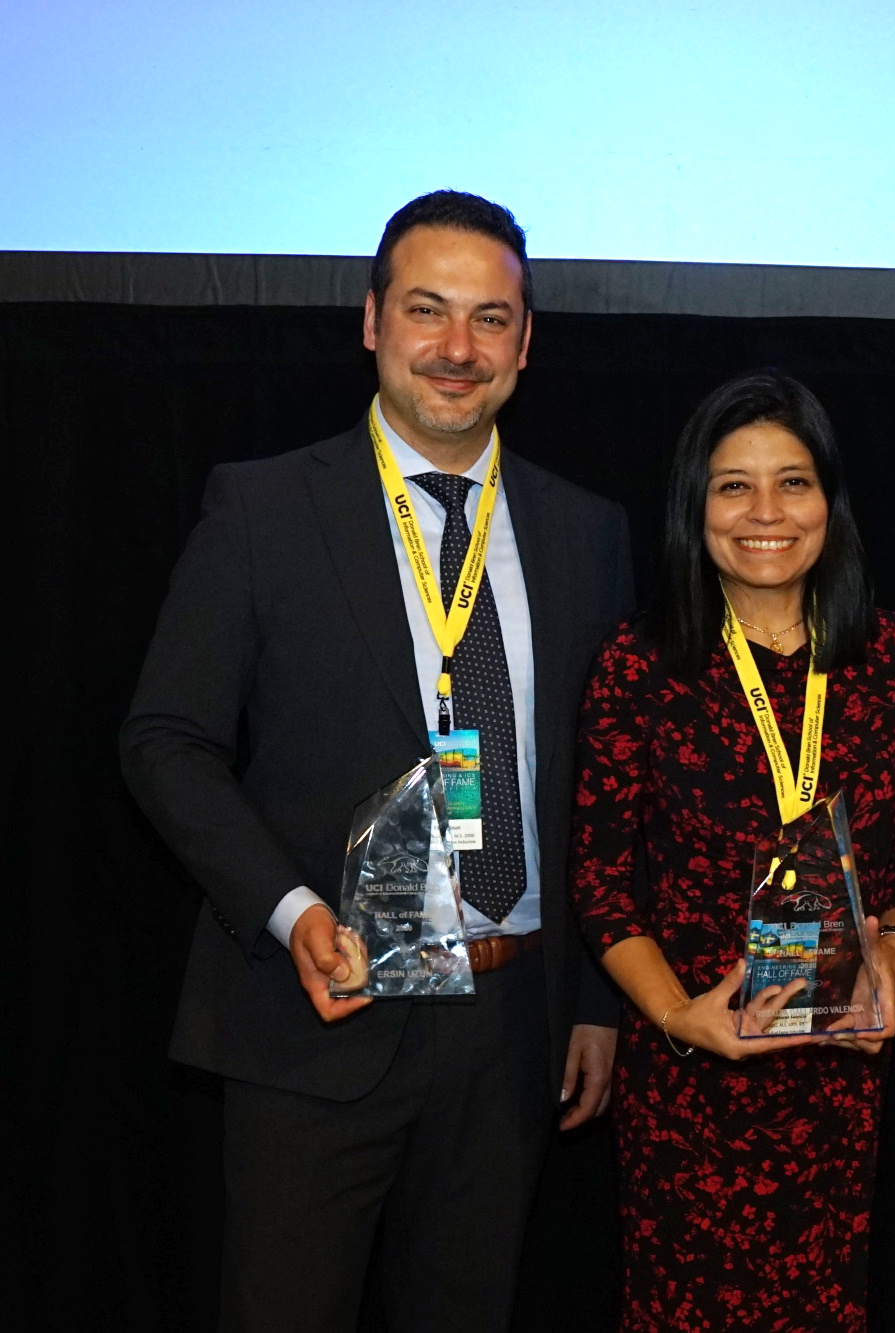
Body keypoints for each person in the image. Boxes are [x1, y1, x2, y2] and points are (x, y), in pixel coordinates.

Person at [120, 191, 634, 1331]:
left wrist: (596, 998)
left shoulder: (585, 532)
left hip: (511, 1026)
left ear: (526, 342)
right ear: (369, 322)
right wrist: (291, 910)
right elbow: (165, 739)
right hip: (322, 1011)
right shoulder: (263, 507)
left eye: (490, 319)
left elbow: (606, 789)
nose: (457, 349)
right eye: (426, 310)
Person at [568, 370, 895, 1331]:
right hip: (688, 1076)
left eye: (793, 481)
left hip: (839, 1076)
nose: (765, 512)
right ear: (697, 506)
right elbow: (602, 884)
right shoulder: (639, 664)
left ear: (830, 501)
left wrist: (887, 964)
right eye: (734, 485)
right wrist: (679, 1017)